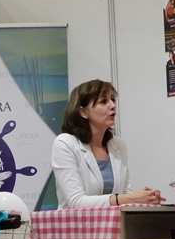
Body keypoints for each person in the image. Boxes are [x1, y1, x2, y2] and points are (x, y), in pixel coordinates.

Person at [51, 79, 164, 209]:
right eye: (103, 101)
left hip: (113, 220)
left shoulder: (118, 144)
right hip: (76, 221)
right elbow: (76, 201)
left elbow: (126, 193)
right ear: (84, 112)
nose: (112, 105)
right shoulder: (65, 143)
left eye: (112, 99)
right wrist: (129, 198)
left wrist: (145, 199)